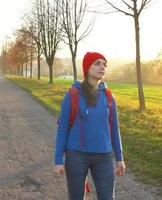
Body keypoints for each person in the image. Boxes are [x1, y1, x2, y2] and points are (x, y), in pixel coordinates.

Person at [54, 52, 126, 200]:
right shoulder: (73, 94)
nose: (102, 67)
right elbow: (63, 129)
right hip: (76, 155)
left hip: (103, 156)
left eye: (104, 64)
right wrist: (58, 160)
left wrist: (119, 157)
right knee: (76, 197)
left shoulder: (108, 96)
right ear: (87, 67)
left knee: (107, 197)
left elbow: (114, 128)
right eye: (97, 63)